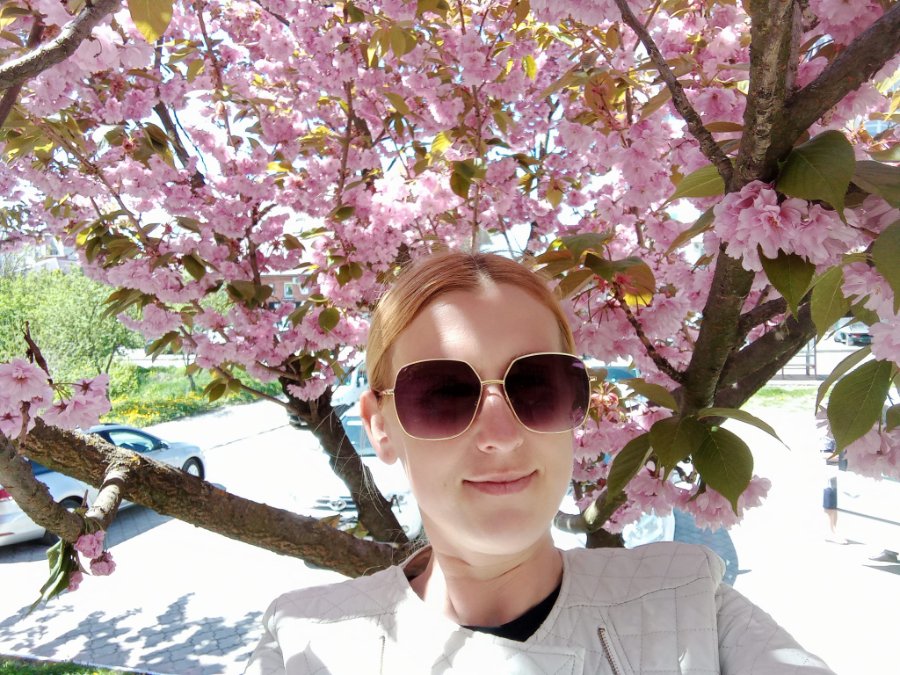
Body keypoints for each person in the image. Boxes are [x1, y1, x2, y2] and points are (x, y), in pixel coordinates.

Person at [246, 251, 834, 674]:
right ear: (381, 427)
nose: (501, 436)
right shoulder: (305, 643)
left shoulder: (690, 602)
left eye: (538, 385)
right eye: (443, 394)